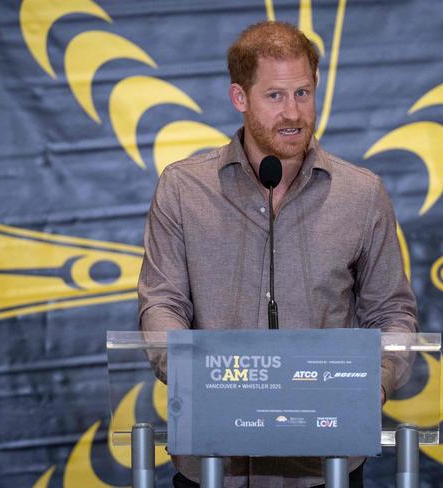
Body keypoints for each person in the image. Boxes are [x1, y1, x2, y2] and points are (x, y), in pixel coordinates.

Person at [138, 21, 418, 488]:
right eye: (275, 96)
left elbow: (392, 310)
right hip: (213, 463)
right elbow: (162, 303)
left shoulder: (362, 194)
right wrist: (198, 382)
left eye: (303, 93)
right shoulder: (184, 188)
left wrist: (376, 381)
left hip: (324, 464)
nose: (293, 113)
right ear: (239, 98)